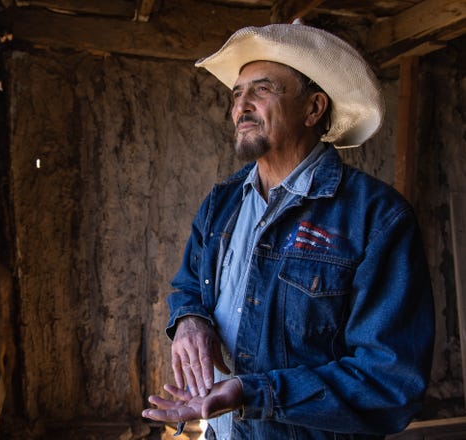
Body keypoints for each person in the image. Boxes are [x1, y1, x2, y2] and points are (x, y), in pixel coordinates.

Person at [142, 23, 435, 440]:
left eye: (261, 90)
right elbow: (190, 285)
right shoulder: (222, 203)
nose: (242, 105)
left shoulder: (376, 217)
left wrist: (253, 391)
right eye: (237, 94)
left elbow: (389, 383)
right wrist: (190, 319)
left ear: (313, 109)